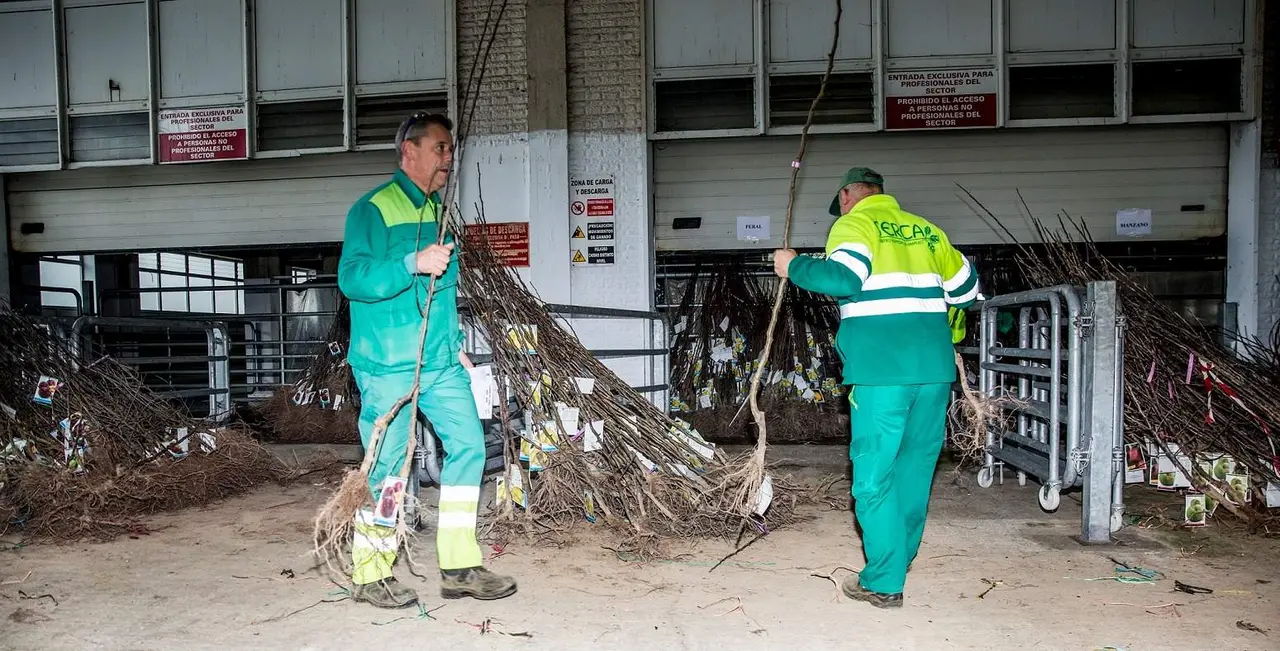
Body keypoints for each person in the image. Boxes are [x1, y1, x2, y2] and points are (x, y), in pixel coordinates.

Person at [772, 167, 979, 609]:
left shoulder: (855, 223)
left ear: (848, 195)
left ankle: (884, 582)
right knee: (914, 471)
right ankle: (898, 560)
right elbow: (967, 291)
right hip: (935, 373)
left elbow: (843, 279)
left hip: (883, 373)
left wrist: (793, 266)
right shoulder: (927, 230)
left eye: (840, 202)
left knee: (873, 478)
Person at [337, 111, 517, 608]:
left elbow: (442, 293)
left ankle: (459, 566)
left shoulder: (439, 211)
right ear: (408, 152)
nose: (448, 157)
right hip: (388, 366)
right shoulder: (371, 209)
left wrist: (453, 340)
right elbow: (352, 279)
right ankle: (372, 571)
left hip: (438, 363)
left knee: (471, 447)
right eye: (439, 148)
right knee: (389, 470)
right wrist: (409, 263)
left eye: (450, 149)